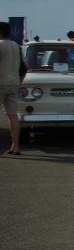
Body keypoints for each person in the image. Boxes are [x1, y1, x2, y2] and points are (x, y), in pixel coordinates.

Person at [0, 22, 23, 155]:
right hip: (14, 83)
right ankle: (15, 145)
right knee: (13, 115)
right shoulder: (16, 46)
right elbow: (21, 67)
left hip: (1, 82)